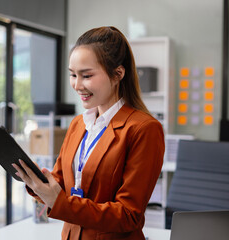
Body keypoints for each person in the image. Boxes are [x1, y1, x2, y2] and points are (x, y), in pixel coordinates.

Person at [13, 26, 165, 240]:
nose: (77, 85)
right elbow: (62, 182)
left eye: (86, 75)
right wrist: (36, 182)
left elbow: (129, 215)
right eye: (73, 75)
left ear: (118, 74)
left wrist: (61, 203)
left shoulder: (143, 129)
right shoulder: (78, 124)